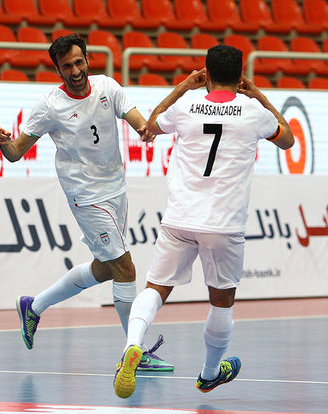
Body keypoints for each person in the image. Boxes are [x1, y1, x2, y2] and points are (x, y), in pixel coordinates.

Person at [114, 44, 294, 398]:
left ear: (206, 74)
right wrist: (258, 94)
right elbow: (287, 139)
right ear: (240, 77)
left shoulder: (185, 106)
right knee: (221, 302)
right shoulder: (253, 111)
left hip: (180, 218)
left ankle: (132, 345)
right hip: (224, 224)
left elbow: (149, 128)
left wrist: (183, 87)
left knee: (155, 290)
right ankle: (210, 373)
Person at [0, 33, 173, 372]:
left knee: (106, 268)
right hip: (85, 195)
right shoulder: (50, 105)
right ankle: (136, 351)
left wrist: (144, 130)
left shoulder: (108, 87)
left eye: (79, 62)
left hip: (116, 189)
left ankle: (34, 306)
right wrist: (5, 144)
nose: (75, 71)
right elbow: (17, 153)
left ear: (87, 59)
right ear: (58, 70)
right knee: (125, 268)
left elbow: (136, 121)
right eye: (66, 67)